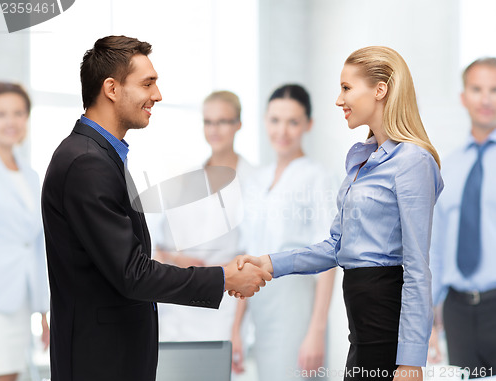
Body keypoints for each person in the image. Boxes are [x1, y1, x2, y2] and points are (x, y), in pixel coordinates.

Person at [40, 35, 271, 381]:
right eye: (148, 84)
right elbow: (133, 273)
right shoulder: (87, 163)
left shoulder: (101, 156)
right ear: (111, 89)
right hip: (99, 359)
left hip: (115, 353)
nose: (157, 96)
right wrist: (223, 277)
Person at [233, 46, 444, 381]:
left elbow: (418, 267)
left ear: (380, 90)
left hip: (385, 323)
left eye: (347, 88)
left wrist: (411, 360)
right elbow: (336, 246)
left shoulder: (412, 162)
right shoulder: (362, 160)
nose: (338, 99)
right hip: (360, 329)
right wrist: (269, 263)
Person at [231, 84, 337, 380]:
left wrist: (316, 331)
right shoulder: (256, 180)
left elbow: (330, 257)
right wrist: (236, 327)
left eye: (293, 122)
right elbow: (245, 255)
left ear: (308, 125)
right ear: (265, 121)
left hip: (297, 310)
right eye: (275, 120)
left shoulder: (318, 177)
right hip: (261, 309)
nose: (283, 131)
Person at [153, 90, 256, 341]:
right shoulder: (186, 180)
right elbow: (159, 247)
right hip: (180, 306)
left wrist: (236, 330)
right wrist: (181, 258)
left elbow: (255, 258)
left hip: (225, 306)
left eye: (223, 121)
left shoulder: (254, 181)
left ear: (238, 124)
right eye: (208, 122)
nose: (214, 129)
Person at [428, 58, 496, 378]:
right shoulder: (448, 167)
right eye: (477, 89)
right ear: (463, 97)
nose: (486, 99)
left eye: (494, 90)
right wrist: (428, 311)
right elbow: (436, 246)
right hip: (456, 311)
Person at [0, 82, 49, 381]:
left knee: (12, 374)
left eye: (18, 113)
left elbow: (37, 245)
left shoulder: (31, 175)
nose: (11, 121)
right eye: (1, 114)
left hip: (21, 299)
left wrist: (43, 313)